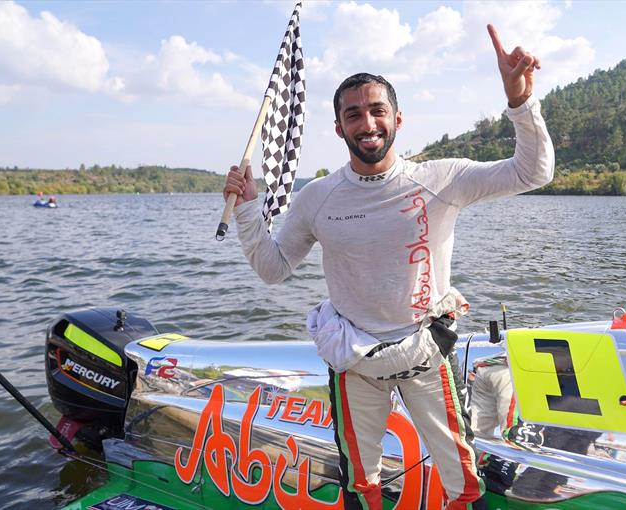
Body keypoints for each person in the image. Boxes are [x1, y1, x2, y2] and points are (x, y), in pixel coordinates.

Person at [224, 24, 554, 510]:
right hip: (353, 360)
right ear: (339, 128)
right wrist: (250, 210)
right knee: (362, 483)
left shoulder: (441, 179)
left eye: (377, 110)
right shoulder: (318, 198)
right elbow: (274, 268)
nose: (367, 123)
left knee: (462, 482)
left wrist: (522, 105)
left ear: (398, 118)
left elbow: (534, 172)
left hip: (426, 354)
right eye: (353, 114)